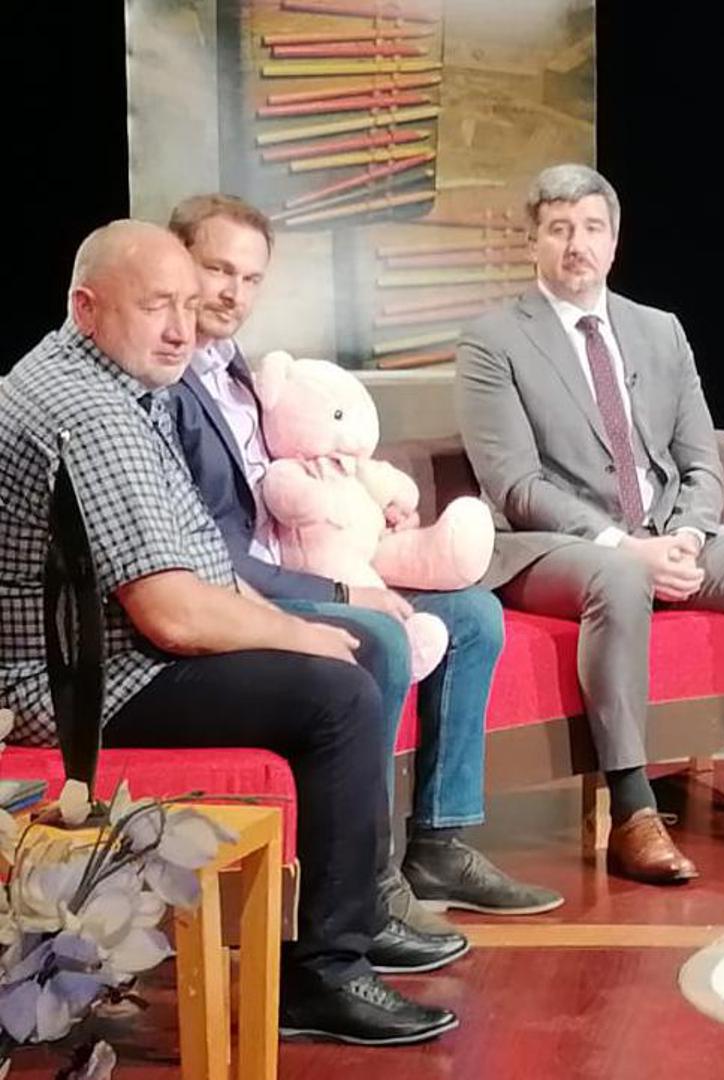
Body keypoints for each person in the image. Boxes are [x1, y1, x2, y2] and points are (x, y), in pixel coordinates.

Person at [0, 221, 459, 1044]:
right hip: (78, 690)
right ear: (87, 307)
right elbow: (173, 613)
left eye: (189, 305)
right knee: (338, 696)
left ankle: (354, 911)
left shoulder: (116, 384)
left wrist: (290, 625)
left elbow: (195, 566)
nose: (182, 328)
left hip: (113, 652)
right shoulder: (89, 410)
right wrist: (295, 634)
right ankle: (326, 974)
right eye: (157, 307)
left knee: (349, 652)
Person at [455, 163, 724, 885]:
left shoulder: (659, 331)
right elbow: (516, 486)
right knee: (619, 576)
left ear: (614, 242)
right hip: (557, 548)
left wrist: (685, 536)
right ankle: (633, 811)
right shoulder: (493, 342)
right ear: (532, 244)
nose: (577, 245)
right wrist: (624, 546)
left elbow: (702, 462)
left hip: (669, 535)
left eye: (591, 228)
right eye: (559, 230)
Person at [163, 195, 562, 939]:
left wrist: (370, 507)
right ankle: (366, 879)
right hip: (249, 593)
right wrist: (345, 589)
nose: (234, 293)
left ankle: (438, 844)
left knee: (473, 615)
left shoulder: (238, 370)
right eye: (218, 270)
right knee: (374, 635)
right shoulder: (167, 384)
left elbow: (291, 469)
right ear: (177, 262)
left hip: (304, 564)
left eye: (251, 278)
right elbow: (213, 554)